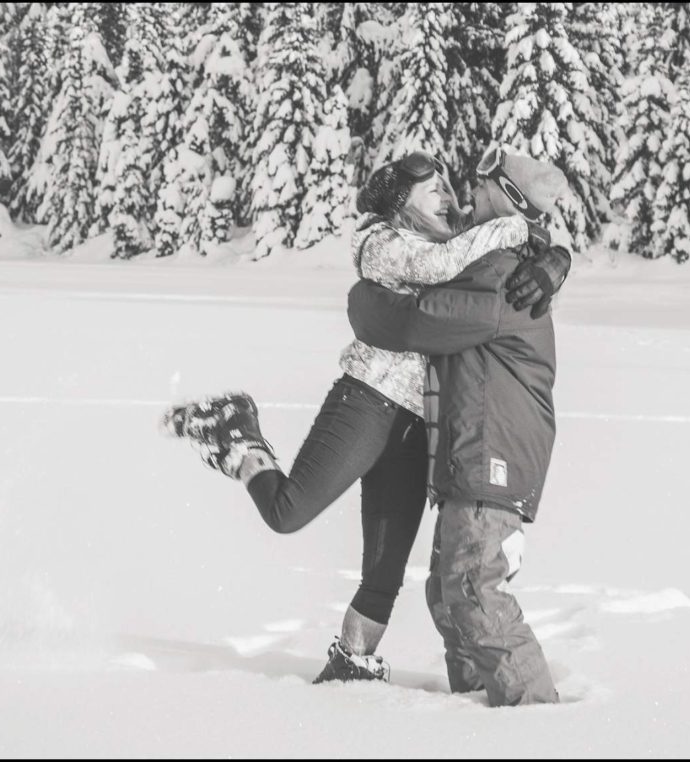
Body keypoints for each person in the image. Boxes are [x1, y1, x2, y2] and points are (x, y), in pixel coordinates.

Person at [162, 148, 571, 686]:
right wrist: (526, 235)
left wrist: (555, 254)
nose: (452, 198)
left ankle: (353, 660)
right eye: (436, 192)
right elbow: (434, 287)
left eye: (452, 189)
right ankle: (238, 435)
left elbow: (488, 254)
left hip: (415, 426)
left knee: (387, 571)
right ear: (403, 205)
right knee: (287, 512)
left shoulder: (469, 250)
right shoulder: (389, 241)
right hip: (370, 400)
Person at [345, 143, 571, 707]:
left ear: (506, 198)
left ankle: (535, 720)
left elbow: (424, 324)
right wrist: (557, 254)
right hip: (470, 456)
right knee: (450, 596)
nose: (467, 189)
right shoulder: (497, 255)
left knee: (473, 591)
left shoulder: (499, 271)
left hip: (490, 455)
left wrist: (364, 306)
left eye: (482, 183)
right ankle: (480, 710)